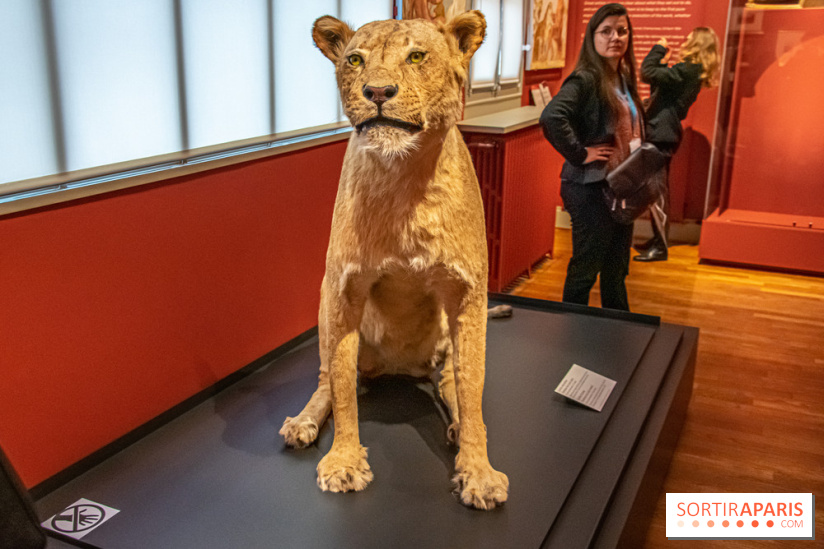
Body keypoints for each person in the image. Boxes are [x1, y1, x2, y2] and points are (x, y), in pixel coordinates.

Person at [540, 3, 644, 311]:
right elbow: (552, 116)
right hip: (590, 189)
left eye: (622, 31)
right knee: (586, 269)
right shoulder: (586, 78)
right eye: (606, 31)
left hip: (619, 186)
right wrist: (580, 153)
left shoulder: (622, 77)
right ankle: (574, 333)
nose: (615, 37)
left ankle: (615, 330)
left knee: (616, 269)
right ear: (593, 37)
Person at [634, 27, 721, 262]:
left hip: (662, 134)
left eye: (690, 38)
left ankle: (660, 246)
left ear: (698, 44)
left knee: (658, 192)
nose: (685, 40)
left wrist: (659, 48)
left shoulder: (688, 69)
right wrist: (664, 63)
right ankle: (657, 239)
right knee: (655, 190)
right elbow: (661, 84)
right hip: (663, 132)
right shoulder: (689, 71)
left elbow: (647, 72)